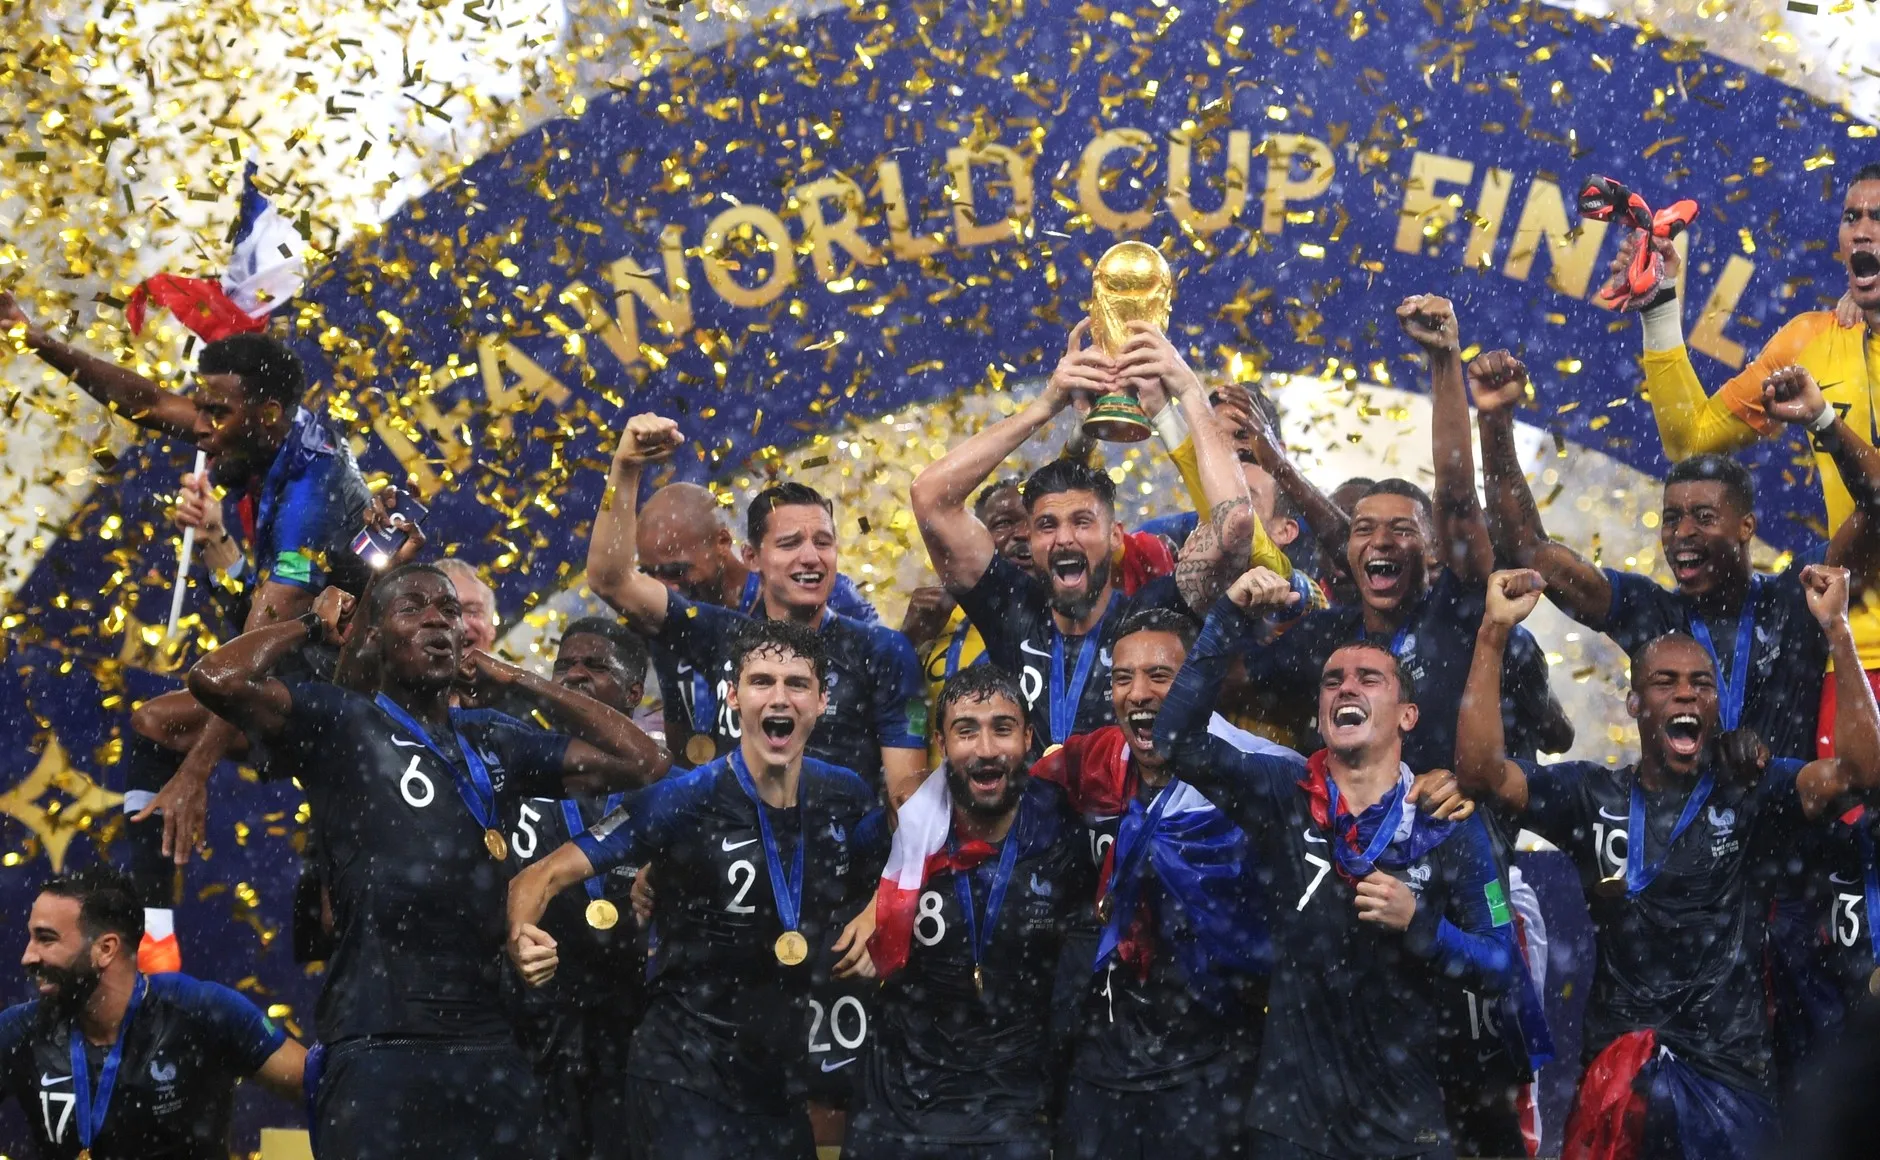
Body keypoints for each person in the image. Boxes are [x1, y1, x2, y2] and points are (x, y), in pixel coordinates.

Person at [185, 565, 666, 1159]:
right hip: (377, 1042)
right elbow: (216, 679)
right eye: (413, 607)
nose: (439, 617)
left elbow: (644, 762)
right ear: (375, 636)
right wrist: (312, 623)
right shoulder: (342, 720)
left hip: (490, 1045)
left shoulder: (493, 739)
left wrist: (518, 679)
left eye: (449, 610)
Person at [1454, 566, 1880, 1159]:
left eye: (1702, 683)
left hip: (1730, 1079)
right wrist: (1492, 633)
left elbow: (1862, 772)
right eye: (1666, 682)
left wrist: (1836, 629)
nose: (1686, 693)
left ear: (1715, 705)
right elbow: (1481, 775)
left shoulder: (1752, 794)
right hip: (1618, 1079)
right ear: (1634, 703)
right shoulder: (1589, 796)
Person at [1154, 565, 1525, 1159]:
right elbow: (1175, 740)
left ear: (1407, 715)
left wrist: (1422, 927)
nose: (1346, 687)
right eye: (1331, 681)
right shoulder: (1283, 790)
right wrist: (1226, 616)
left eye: (1369, 679)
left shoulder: (1447, 821)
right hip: (1290, 1125)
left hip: (1405, 1126)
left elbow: (1503, 962)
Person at [506, 619, 888, 1160]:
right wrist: (523, 934)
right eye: (761, 682)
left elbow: (904, 851)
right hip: (683, 1074)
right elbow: (537, 877)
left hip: (778, 1084)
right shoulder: (682, 800)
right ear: (733, 696)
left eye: (797, 684)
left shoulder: (844, 795)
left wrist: (878, 913)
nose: (779, 697)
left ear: (822, 700)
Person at [1474, 349, 1880, 762]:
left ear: (1746, 527)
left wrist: (1823, 421)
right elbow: (1528, 549)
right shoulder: (1650, 614)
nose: (1682, 533)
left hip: (1790, 819)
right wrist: (1493, 420)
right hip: (1676, 826)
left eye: (1703, 517)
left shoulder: (1798, 598)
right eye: (1671, 518)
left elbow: (1877, 506)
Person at [1234, 297, 1572, 771]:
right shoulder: (1326, 637)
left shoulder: (1464, 614)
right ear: (1347, 554)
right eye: (1365, 531)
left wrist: (1444, 360)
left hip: (1451, 837)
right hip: (1350, 843)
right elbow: (1229, 683)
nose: (1381, 542)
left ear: (1435, 551)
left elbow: (1455, 497)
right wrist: (1226, 608)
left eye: (1402, 529)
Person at [1611, 164, 1880, 747]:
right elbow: (1692, 442)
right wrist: (1659, 310)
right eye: (1852, 217)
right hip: (1858, 652)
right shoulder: (1814, 340)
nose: (1862, 231)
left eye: (1878, 219)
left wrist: (1825, 422)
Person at [910, 318, 1259, 753]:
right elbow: (929, 497)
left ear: (1116, 537)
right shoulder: (1011, 608)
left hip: (1134, 820)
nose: (1063, 539)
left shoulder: (1152, 616)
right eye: (1046, 526)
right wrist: (1047, 404)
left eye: (1082, 522)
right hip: (1033, 819)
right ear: (1032, 541)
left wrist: (1186, 393)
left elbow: (1235, 527)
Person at [1035, 607, 1280, 1160]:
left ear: (1198, 680)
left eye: (1160, 676)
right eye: (1123, 678)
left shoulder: (1264, 773)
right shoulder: (1095, 763)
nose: (1138, 693)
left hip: (1214, 1067)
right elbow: (988, 796)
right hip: (1103, 1070)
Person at [586, 414, 928, 803]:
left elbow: (907, 797)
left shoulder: (881, 651)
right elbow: (608, 578)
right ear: (751, 557)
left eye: (823, 542)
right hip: (731, 855)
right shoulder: (721, 633)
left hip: (838, 855)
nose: (810, 557)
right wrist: (625, 468)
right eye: (789, 544)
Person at [846, 665, 1089, 1160]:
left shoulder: (1064, 831)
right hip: (897, 1114)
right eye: (965, 730)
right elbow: (810, 888)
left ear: (1027, 737)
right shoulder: (894, 833)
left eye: (1002, 728)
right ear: (939, 741)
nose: (984, 750)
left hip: (1013, 1112)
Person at [0, 865, 307, 1158]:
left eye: (46, 939)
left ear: (106, 949)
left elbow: (324, 1085)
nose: (28, 956)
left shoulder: (201, 1011)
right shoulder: (20, 1030)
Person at [505, 617, 663, 1160]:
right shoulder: (514, 761)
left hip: (632, 1023)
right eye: (564, 665)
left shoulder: (663, 781)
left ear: (634, 691)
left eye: (595, 666)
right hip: (533, 1023)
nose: (574, 675)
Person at [637, 480, 880, 762]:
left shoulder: (819, 592)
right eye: (649, 573)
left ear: (723, 543)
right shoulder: (669, 623)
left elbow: (884, 683)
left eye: (675, 570)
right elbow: (679, 731)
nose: (664, 586)